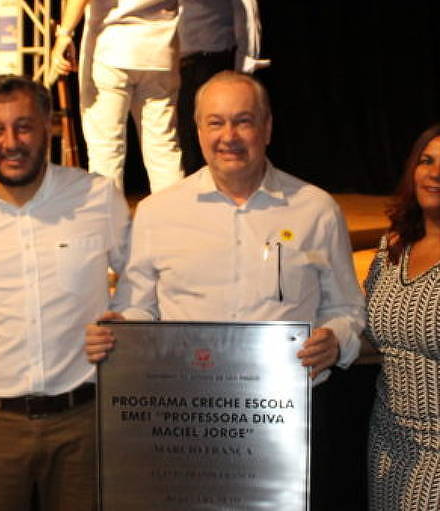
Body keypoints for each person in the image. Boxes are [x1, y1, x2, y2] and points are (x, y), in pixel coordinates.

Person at [85, 71, 366, 510]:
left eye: (243, 121)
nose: (229, 137)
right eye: (215, 123)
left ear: (267, 128)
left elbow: (347, 307)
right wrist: (122, 330)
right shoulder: (159, 213)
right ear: (197, 130)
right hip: (187, 425)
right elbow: (138, 308)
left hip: (289, 419)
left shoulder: (316, 209)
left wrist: (337, 340)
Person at [0, 74, 130, 511]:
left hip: (84, 422)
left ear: (48, 126)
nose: (11, 141)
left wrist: (127, 322)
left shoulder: (96, 196)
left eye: (23, 126)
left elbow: (138, 280)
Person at [362, 124, 440, 511]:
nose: (435, 173)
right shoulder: (392, 245)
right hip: (389, 442)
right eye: (427, 161)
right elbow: (368, 332)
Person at [48, 0, 182, 193]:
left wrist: (64, 34)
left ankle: (107, 220)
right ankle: (174, 221)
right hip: (161, 48)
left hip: (111, 48)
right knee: (163, 147)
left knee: (106, 149)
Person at [177, 0, 268, 174]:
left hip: (214, 61)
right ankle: (194, 186)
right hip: (182, 65)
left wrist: (244, 69)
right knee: (188, 133)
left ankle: (229, 179)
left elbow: (247, 17)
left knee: (223, 127)